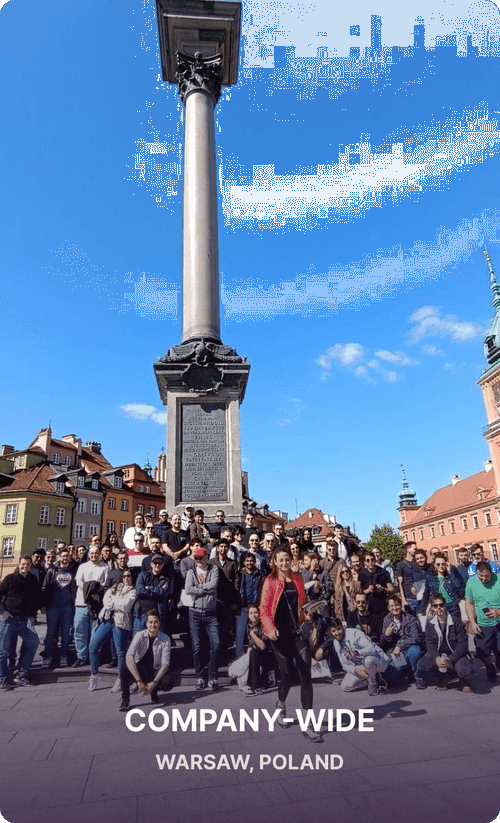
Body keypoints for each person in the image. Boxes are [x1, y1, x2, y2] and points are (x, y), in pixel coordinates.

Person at [259, 549, 321, 743]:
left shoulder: (298, 578)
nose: (285, 562)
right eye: (281, 560)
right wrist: (269, 629)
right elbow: (264, 610)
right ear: (275, 563)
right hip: (279, 635)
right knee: (287, 676)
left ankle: (308, 724)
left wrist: (309, 615)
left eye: (287, 559)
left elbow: (302, 603)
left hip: (297, 634)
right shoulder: (270, 582)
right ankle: (281, 704)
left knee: (306, 677)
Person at [88, 569, 137, 693]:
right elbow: (106, 602)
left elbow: (126, 607)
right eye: (124, 576)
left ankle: (121, 679)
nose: (126, 578)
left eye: (129, 576)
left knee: (120, 652)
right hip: (107, 620)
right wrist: (117, 603)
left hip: (121, 622)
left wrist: (114, 602)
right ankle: (94, 674)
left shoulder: (133, 591)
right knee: (93, 646)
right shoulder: (114, 587)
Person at [417, 595, 473, 692]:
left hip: (455, 655)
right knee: (423, 664)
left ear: (445, 606)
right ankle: (444, 677)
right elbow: (430, 643)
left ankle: (464, 680)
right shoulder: (430, 623)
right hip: (440, 655)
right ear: (432, 608)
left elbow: (462, 644)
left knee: (465, 670)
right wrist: (436, 658)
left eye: (441, 605)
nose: (439, 608)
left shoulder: (456, 621)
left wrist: (450, 659)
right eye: (435, 606)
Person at [0, 555, 40, 689]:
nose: (25, 567)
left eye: (28, 564)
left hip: (24, 620)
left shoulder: (33, 580)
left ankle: (22, 675)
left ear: (30, 565)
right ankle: (2, 679)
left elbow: (35, 599)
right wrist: (3, 611)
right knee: (3, 650)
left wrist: (32, 616)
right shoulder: (10, 579)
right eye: (23, 564)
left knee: (33, 642)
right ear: (19, 564)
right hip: (9, 619)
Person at [119, 610, 171, 711]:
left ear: (159, 623)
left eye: (155, 622)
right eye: (150, 622)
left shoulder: (165, 639)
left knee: (168, 682)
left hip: (154, 670)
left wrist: (154, 683)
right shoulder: (139, 636)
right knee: (125, 666)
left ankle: (153, 691)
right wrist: (138, 681)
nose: (153, 625)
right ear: (146, 623)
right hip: (141, 670)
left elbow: (165, 664)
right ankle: (125, 699)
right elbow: (129, 656)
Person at [185, 546, 220, 690]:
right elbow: (188, 589)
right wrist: (204, 589)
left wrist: (198, 588)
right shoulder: (191, 572)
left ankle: (213, 676)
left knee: (216, 645)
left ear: (206, 557)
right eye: (197, 558)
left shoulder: (214, 569)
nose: (199, 560)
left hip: (211, 613)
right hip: (195, 613)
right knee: (197, 647)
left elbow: (214, 585)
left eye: (201, 557)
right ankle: (200, 676)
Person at [328, 618, 390, 696]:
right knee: (345, 686)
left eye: (338, 629)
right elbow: (344, 664)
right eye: (333, 631)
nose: (337, 633)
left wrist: (357, 652)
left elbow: (372, 649)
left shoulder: (354, 633)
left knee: (368, 661)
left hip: (378, 660)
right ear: (330, 632)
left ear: (342, 627)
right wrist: (355, 670)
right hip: (361, 665)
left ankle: (372, 683)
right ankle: (375, 679)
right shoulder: (336, 642)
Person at [41, 547, 77, 669]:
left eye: (67, 556)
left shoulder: (73, 571)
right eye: (63, 556)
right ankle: (48, 657)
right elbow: (45, 587)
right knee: (51, 633)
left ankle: (64, 656)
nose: (65, 558)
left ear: (69, 557)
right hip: (53, 606)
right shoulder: (52, 570)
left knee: (66, 633)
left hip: (68, 606)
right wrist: (44, 604)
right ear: (59, 557)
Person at [72, 546, 108, 667]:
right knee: (79, 631)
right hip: (82, 603)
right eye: (91, 553)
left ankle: (94, 656)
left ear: (100, 554)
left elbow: (105, 583)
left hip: (96, 605)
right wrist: (90, 593)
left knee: (95, 632)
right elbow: (79, 582)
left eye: (96, 553)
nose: (94, 555)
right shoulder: (82, 567)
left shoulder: (105, 567)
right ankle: (81, 657)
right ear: (88, 555)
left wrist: (96, 592)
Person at [465, 560, 500, 682]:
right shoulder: (471, 582)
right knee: (482, 651)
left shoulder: (499, 580)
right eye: (481, 576)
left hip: (499, 622)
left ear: (491, 572)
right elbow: (469, 603)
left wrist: (498, 612)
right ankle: (490, 665)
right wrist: (473, 622)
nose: (484, 579)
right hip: (483, 623)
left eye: (487, 576)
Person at [380, 595, 424, 686]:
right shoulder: (386, 620)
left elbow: (416, 637)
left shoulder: (410, 618)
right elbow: (382, 642)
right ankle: (408, 670)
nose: (395, 608)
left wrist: (400, 645)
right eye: (392, 606)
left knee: (415, 650)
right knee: (392, 678)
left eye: (396, 605)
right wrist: (386, 635)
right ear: (388, 608)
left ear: (400, 605)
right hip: (396, 654)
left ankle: (418, 678)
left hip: (408, 650)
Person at [135, 555, 173, 636]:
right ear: (151, 564)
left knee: (157, 643)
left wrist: (149, 588)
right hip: (141, 614)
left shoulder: (165, 579)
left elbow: (163, 593)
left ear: (162, 565)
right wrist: (155, 592)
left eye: (160, 563)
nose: (157, 565)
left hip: (157, 616)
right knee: (138, 641)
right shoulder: (142, 575)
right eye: (155, 562)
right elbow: (139, 591)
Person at [236, 553, 264, 657]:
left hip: (256, 605)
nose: (249, 563)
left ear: (255, 562)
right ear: (244, 562)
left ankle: (258, 653)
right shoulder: (241, 574)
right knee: (240, 631)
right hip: (243, 606)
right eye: (247, 561)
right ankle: (239, 656)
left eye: (251, 561)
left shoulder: (260, 574)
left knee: (257, 630)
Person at [240, 605, 269, 696]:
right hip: (254, 653)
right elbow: (249, 644)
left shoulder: (263, 626)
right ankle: (249, 683)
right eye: (251, 613)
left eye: (256, 612)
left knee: (254, 653)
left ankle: (255, 686)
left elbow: (263, 646)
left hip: (265, 654)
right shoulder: (248, 626)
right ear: (248, 615)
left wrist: (253, 635)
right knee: (251, 654)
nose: (254, 615)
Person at [428, 554, 464, 620]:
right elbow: (426, 594)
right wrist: (421, 610)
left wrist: (450, 571)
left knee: (457, 627)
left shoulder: (450, 577)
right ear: (435, 565)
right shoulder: (431, 579)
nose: (441, 566)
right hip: (440, 607)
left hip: (452, 607)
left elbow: (459, 588)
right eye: (438, 564)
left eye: (443, 564)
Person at [396, 541, 418, 611]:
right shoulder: (401, 564)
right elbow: (400, 583)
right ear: (408, 549)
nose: (416, 551)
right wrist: (403, 599)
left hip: (420, 596)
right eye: (414, 549)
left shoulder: (417, 562)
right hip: (409, 597)